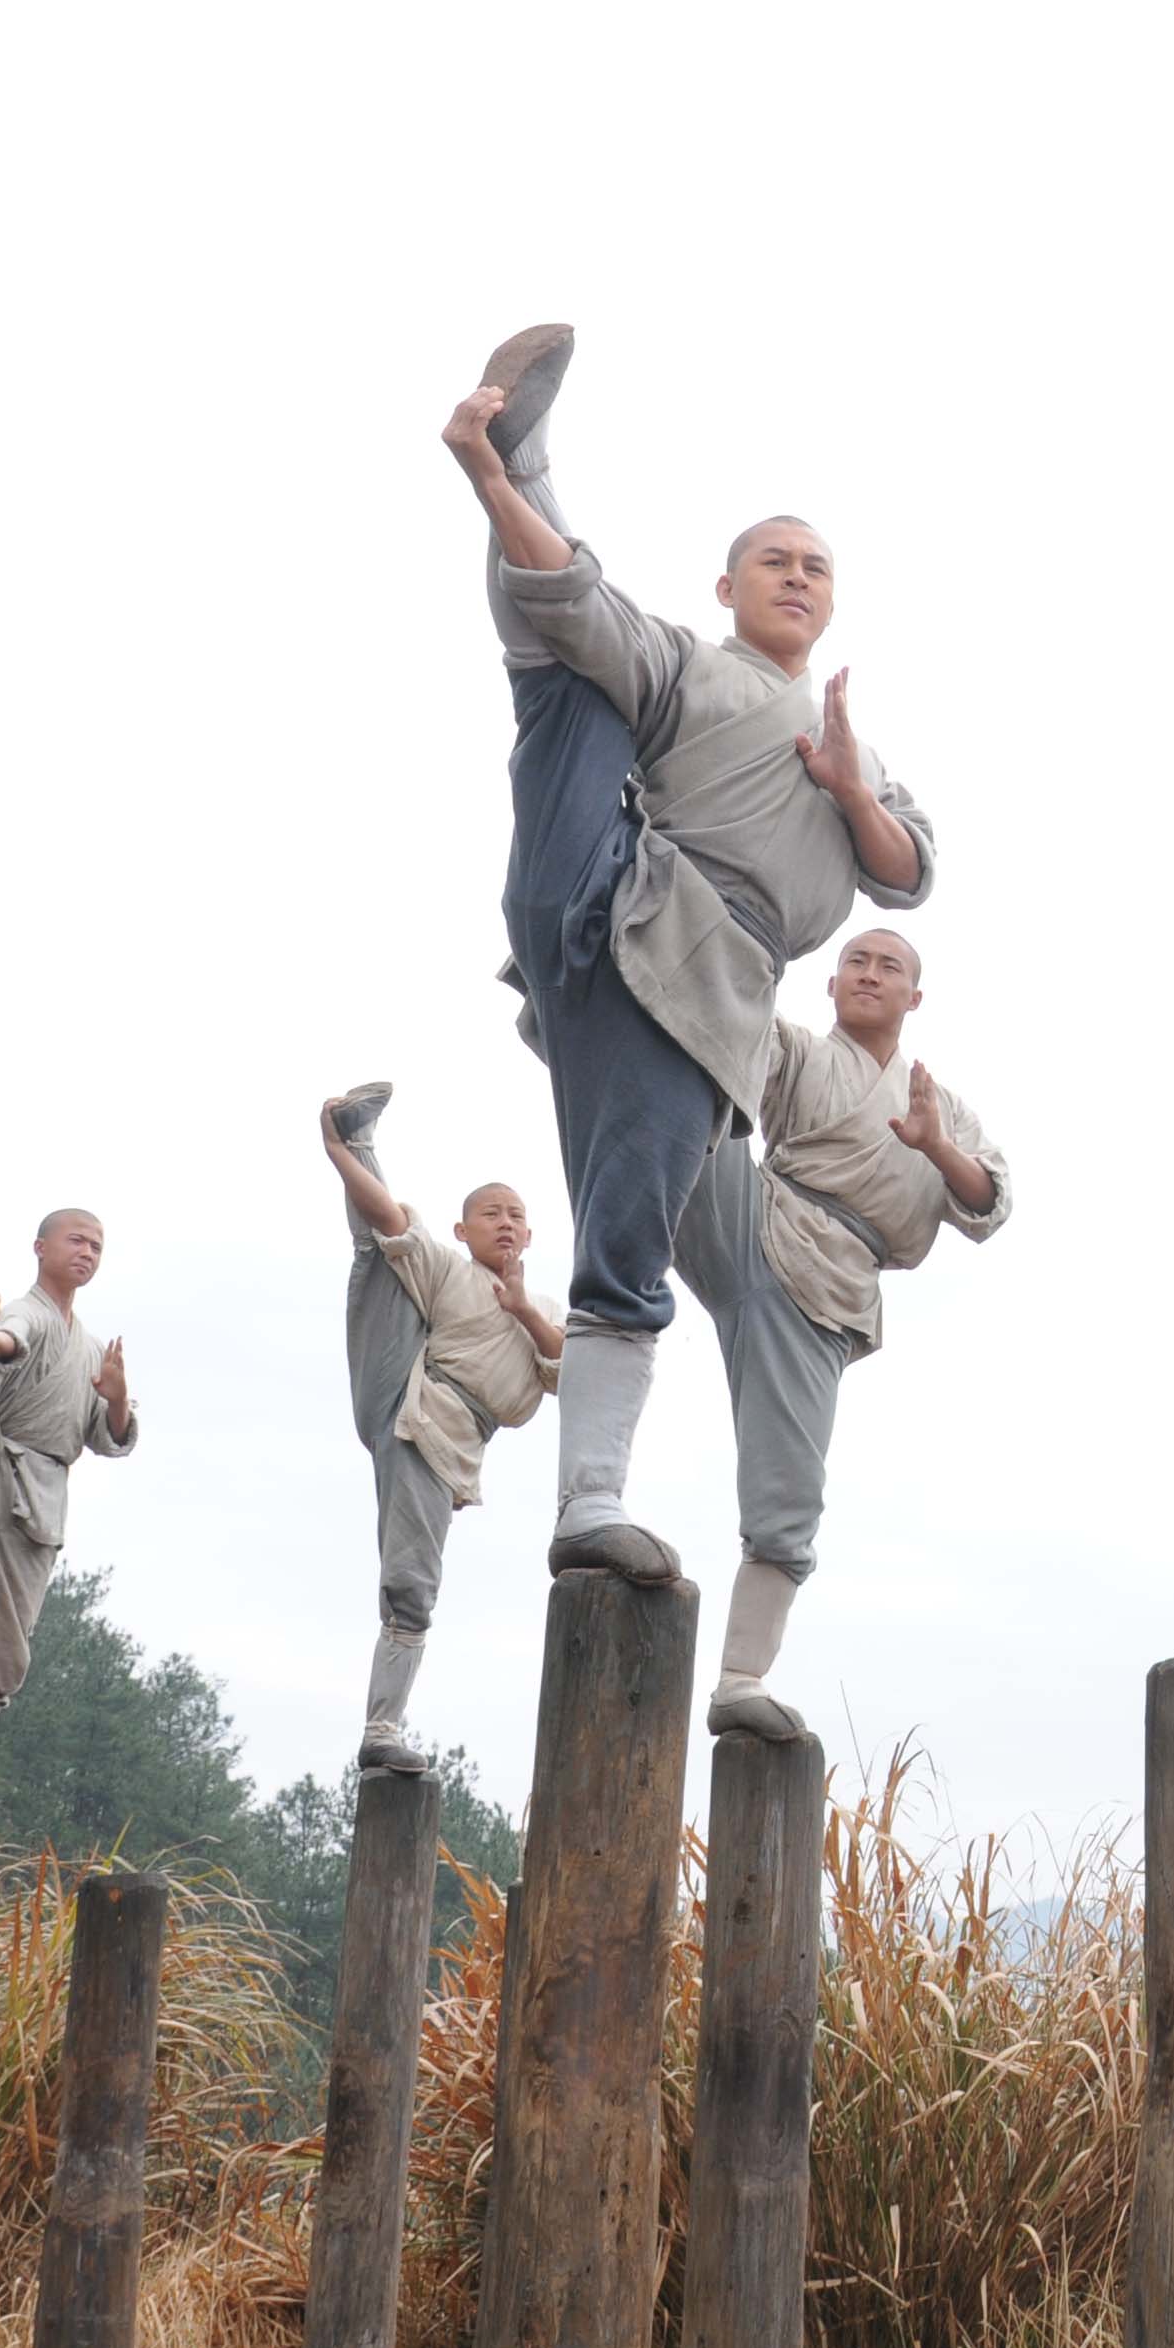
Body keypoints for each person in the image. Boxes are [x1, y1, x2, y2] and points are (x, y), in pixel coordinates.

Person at [443, 325, 938, 1587]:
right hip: (606, 890)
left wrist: (843, 780)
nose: (796, 576)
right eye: (772, 559)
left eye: (816, 566)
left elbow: (907, 871)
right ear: (729, 587)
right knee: (575, 652)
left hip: (706, 986)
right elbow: (581, 605)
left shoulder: (861, 755)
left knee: (626, 1233)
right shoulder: (691, 662)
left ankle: (586, 1501)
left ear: (835, 598)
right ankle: (515, 468)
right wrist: (500, 498)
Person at [678, 927, 1013, 1742]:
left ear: (914, 997)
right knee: (687, 1069)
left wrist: (935, 1144)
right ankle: (570, 999)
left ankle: (740, 1677)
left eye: (888, 966)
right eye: (855, 962)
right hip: (752, 1212)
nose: (869, 974)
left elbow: (991, 1204)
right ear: (830, 986)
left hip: (827, 1291)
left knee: (790, 1493)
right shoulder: (801, 1050)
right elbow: (741, 1051)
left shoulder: (940, 1102)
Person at [318, 1084, 564, 1773]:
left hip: (455, 1440)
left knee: (416, 1580)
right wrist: (340, 1155)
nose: (506, 1224)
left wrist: (523, 1310)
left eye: (517, 1215)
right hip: (407, 1395)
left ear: (532, 1233)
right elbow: (393, 1218)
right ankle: (382, 1728)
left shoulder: (542, 1305)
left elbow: (572, 1373)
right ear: (465, 1230)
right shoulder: (450, 1269)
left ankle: (382, 1724)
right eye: (491, 1213)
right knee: (382, 1252)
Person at [0, 1215, 138, 1841]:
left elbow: (109, 1437)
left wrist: (115, 1397)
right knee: (1, 1649)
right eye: (76, 1240)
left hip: (46, 1493)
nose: (87, 1252)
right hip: (2, 1469)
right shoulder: (30, 1314)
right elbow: (9, 1342)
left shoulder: (89, 1346)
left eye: (97, 1245)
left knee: (10, 1644)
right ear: (41, 1248)